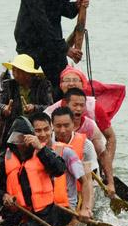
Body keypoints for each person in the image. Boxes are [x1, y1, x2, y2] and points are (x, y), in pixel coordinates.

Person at [14, 0, 90, 95]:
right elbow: (42, 25)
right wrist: (66, 49)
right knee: (27, 83)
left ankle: (60, 111)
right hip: (29, 42)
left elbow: (63, 10)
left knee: (61, 81)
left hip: (52, 42)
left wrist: (76, 5)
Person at [0, 116, 67, 226]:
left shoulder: (42, 152)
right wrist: (3, 196)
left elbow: (60, 169)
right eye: (16, 140)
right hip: (17, 213)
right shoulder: (6, 158)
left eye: (23, 140)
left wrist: (41, 149)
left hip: (44, 215)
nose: (20, 145)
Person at [47, 68, 118, 196]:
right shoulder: (50, 113)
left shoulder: (92, 116)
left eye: (75, 80)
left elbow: (107, 144)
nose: (71, 84)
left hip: (86, 161)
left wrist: (109, 179)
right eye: (67, 80)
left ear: (83, 84)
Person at [31, 112, 93, 222]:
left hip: (65, 209)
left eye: (46, 129)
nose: (43, 134)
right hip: (41, 209)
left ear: (51, 129)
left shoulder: (67, 153)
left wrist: (85, 209)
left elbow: (85, 182)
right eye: (38, 131)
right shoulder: (29, 155)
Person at [0, 54, 53, 147]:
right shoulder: (9, 85)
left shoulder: (43, 85)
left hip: (37, 127)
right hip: (14, 127)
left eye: (18, 71)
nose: (14, 73)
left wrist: (34, 108)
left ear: (28, 73)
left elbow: (50, 107)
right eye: (13, 70)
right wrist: (4, 109)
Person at [51, 107, 98, 197]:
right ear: (52, 125)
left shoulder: (86, 145)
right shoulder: (46, 142)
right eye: (58, 126)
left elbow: (88, 180)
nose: (62, 130)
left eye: (66, 125)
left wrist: (86, 208)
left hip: (78, 193)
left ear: (73, 124)